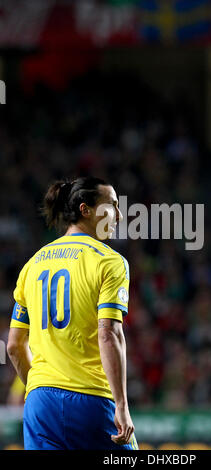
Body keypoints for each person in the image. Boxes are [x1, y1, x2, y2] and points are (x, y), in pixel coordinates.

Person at [7, 176, 138, 450]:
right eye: (112, 205)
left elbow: (14, 347)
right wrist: (122, 404)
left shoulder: (31, 266)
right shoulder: (110, 262)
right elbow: (109, 334)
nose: (119, 214)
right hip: (90, 399)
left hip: (39, 404)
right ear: (85, 210)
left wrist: (41, 391)